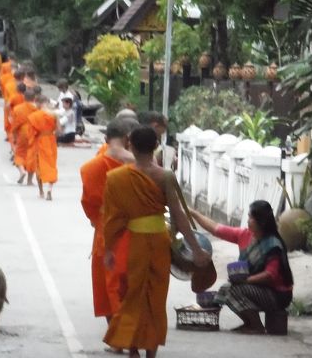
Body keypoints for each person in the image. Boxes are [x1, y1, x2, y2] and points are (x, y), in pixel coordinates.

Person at [103, 126, 211, 358]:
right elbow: (179, 215)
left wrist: (109, 249)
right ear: (155, 146)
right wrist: (196, 249)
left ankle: (133, 349)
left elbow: (113, 218)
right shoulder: (165, 176)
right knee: (155, 298)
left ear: (130, 145)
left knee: (133, 295)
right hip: (159, 243)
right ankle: (150, 351)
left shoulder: (118, 178)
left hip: (135, 245)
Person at [189, 201, 294, 334]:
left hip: (277, 294)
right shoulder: (245, 235)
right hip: (259, 288)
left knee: (234, 290)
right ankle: (249, 323)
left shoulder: (273, 244)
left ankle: (256, 326)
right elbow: (216, 228)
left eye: (251, 217)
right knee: (225, 289)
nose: (248, 221)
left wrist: (245, 281)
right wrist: (193, 213)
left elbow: (270, 275)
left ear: (261, 221)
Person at [80, 118, 139, 353]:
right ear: (128, 139)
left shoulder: (92, 167)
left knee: (109, 287)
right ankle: (134, 336)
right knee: (131, 286)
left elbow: (89, 204)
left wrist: (100, 222)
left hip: (106, 232)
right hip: (138, 232)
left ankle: (118, 338)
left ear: (107, 139)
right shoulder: (142, 165)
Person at [27, 95, 58, 200]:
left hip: (40, 141)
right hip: (51, 141)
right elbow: (59, 130)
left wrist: (31, 142)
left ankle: (41, 192)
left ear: (38, 103)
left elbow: (31, 133)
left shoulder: (34, 116)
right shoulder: (53, 114)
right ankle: (49, 189)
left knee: (39, 166)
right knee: (51, 165)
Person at [11, 88, 37, 185]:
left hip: (22, 132)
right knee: (32, 156)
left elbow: (14, 125)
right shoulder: (37, 108)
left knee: (19, 154)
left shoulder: (17, 109)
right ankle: (30, 181)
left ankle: (22, 171)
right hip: (34, 133)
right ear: (34, 98)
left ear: (24, 97)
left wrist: (14, 137)